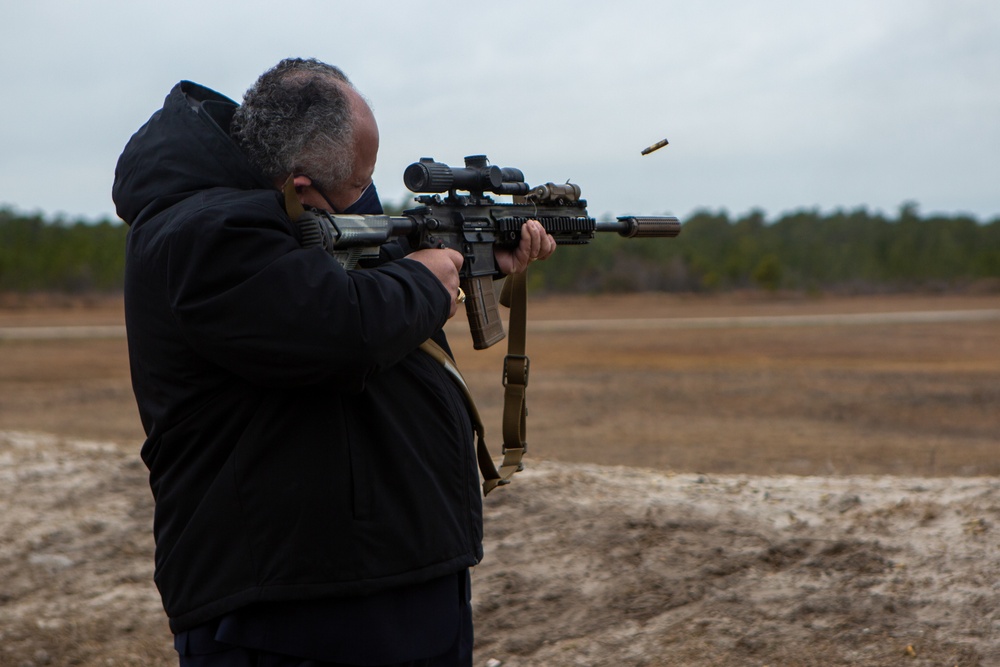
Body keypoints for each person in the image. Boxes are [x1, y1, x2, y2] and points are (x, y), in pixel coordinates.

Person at [112, 57, 555, 666]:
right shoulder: (202, 231)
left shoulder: (291, 210)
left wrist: (475, 255)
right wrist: (428, 280)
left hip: (385, 576)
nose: (365, 200)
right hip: (289, 608)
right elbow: (340, 327)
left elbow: (365, 265)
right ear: (300, 185)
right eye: (356, 184)